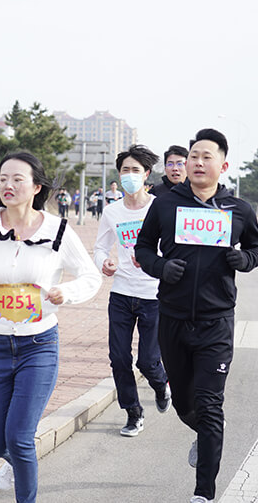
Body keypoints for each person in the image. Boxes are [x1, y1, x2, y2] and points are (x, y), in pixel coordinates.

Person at [0, 152, 101, 503]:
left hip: (39, 346)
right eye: (2, 179)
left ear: (36, 186)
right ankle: (15, 462)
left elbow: (91, 277)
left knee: (20, 437)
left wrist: (66, 292)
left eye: (17, 179)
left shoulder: (57, 230)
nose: (8, 185)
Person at [134, 129, 258, 503]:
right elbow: (143, 249)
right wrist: (161, 268)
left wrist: (246, 259)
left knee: (210, 407)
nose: (197, 162)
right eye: (193, 155)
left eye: (206, 157)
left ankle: (203, 494)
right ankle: (205, 433)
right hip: (172, 319)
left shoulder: (238, 209)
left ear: (222, 165)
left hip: (216, 323)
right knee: (183, 404)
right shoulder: (164, 205)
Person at [92, 145, 170, 438]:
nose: (129, 175)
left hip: (154, 294)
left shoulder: (160, 208)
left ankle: (161, 384)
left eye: (135, 170)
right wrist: (105, 262)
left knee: (148, 361)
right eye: (125, 170)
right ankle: (133, 412)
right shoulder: (112, 211)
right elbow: (99, 247)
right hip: (122, 293)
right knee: (119, 358)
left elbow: (173, 246)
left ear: (147, 174)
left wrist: (156, 261)